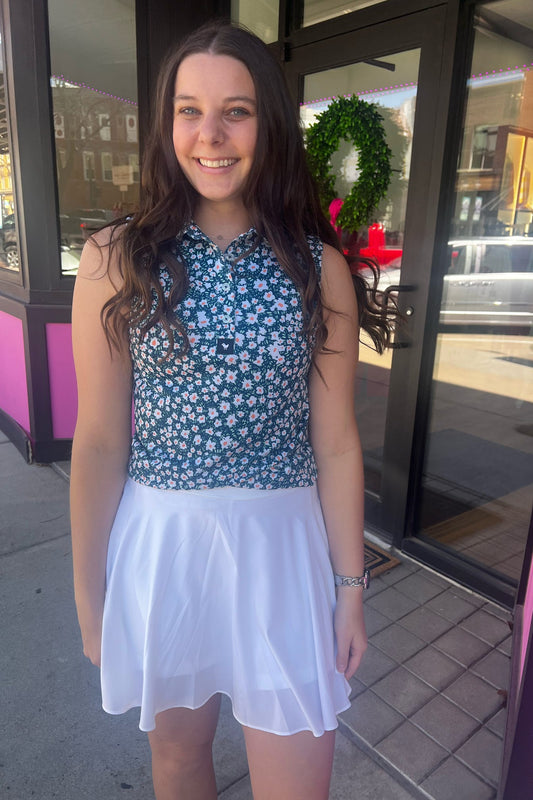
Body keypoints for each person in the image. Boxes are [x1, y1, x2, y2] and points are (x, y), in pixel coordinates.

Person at [70, 21, 392, 800]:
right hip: (163, 544)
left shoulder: (319, 269)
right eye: (189, 110)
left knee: (296, 782)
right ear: (166, 124)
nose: (209, 134)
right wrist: (91, 598)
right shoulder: (117, 258)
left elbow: (339, 445)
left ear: (268, 124)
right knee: (179, 762)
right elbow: (102, 441)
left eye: (235, 111)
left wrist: (349, 588)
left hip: (281, 548)